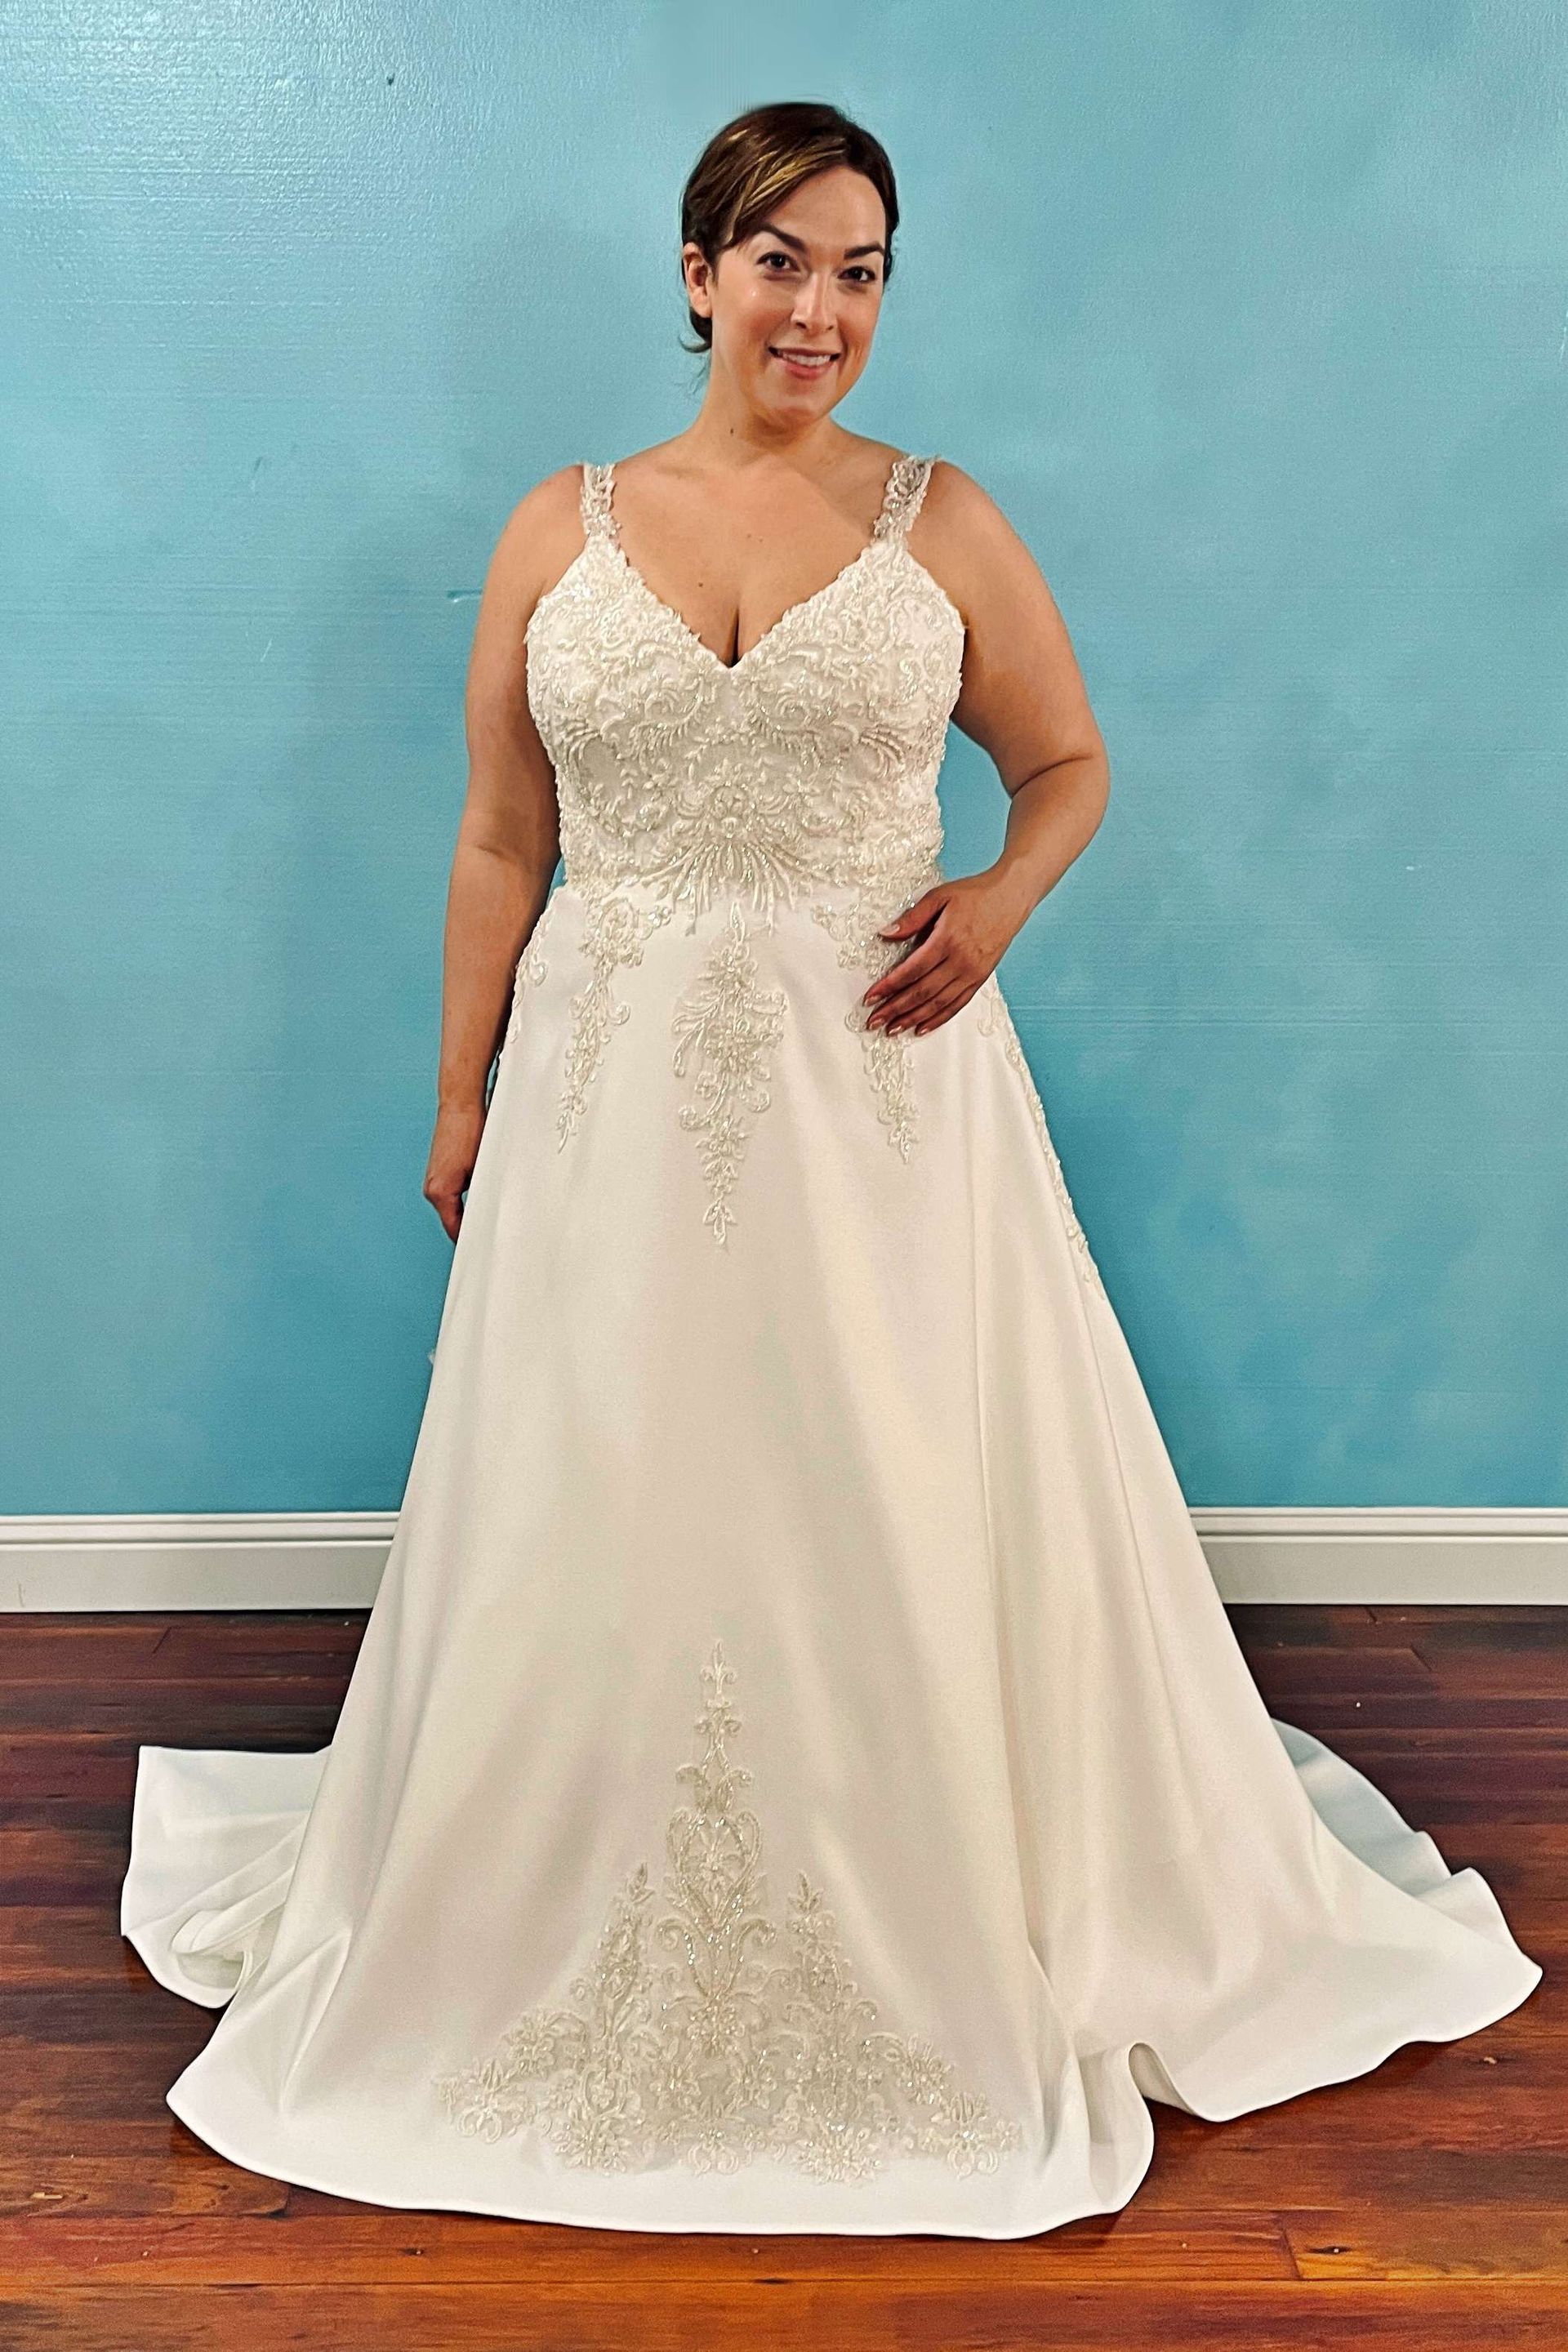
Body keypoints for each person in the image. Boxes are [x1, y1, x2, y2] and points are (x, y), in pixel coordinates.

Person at [121, 99, 1541, 2238]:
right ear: (698, 274)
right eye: (783, 260)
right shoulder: (554, 533)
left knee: (867, 1478)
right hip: (604, 1091)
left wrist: (995, 901)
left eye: (865, 272)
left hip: (880, 1106)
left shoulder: (941, 523)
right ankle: (548, 1898)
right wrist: (456, 1094)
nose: (825, 311)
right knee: (610, 1479)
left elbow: (1068, 766)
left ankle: (910, 1881)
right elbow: (505, 832)